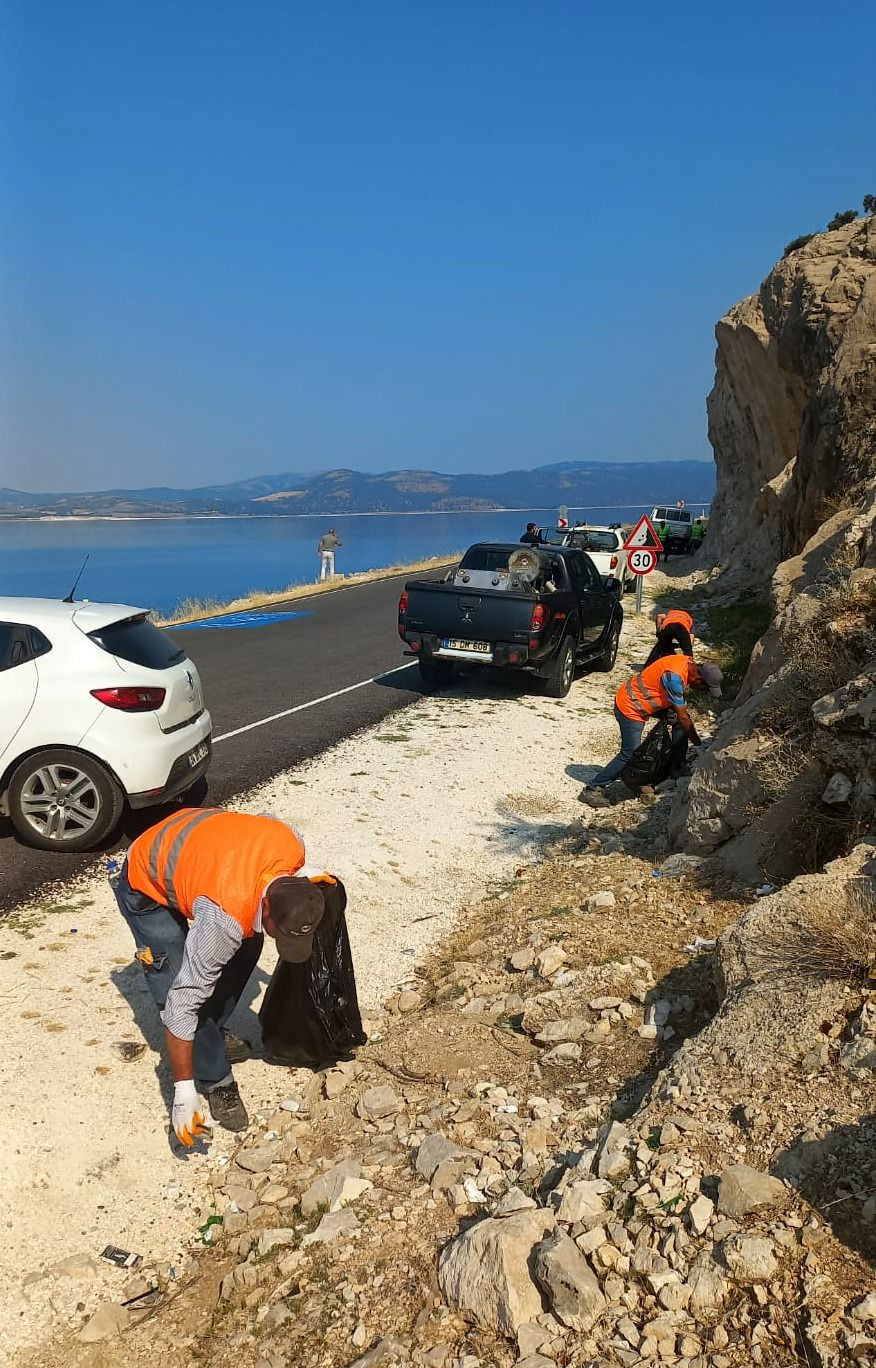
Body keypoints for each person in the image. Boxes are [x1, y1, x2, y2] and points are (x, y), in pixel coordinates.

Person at [113, 808, 336, 1145]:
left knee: (247, 945)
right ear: (266, 907)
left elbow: (265, 819)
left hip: (192, 844)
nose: (283, 942)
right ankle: (215, 1077)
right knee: (177, 982)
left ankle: (210, 1034)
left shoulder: (291, 845)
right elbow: (182, 1006)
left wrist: (300, 876)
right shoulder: (224, 920)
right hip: (147, 875)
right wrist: (183, 1092)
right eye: (284, 933)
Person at [580, 655, 722, 797]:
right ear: (698, 677)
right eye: (704, 688)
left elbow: (681, 715)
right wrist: (698, 745)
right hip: (630, 706)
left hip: (646, 701)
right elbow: (683, 716)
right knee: (630, 752)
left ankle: (677, 767)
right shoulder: (674, 678)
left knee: (680, 723)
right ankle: (593, 788)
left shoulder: (686, 662)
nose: (702, 691)